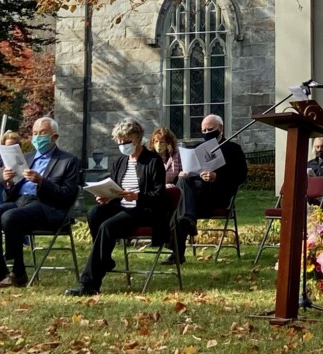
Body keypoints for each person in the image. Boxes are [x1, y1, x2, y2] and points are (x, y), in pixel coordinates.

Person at [66, 118, 166, 296]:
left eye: (125, 141)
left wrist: (138, 196)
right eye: (119, 142)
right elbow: (115, 187)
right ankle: (105, 260)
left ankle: (89, 283)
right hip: (122, 206)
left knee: (107, 227)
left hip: (144, 210)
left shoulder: (153, 161)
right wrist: (107, 197)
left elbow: (159, 196)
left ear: (136, 138)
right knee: (94, 213)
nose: (122, 145)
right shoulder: (120, 162)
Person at [0, 116, 80, 288]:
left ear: (54, 136)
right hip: (21, 201)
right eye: (35, 133)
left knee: (10, 217)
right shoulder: (26, 157)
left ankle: (19, 272)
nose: (37, 137)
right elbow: (11, 193)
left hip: (47, 205)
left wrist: (42, 181)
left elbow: (67, 195)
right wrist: (9, 182)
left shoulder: (68, 161)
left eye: (42, 133)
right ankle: (0, 269)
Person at [169, 113, 248, 264]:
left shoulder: (233, 149)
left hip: (216, 196)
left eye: (210, 129)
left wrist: (216, 177)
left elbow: (241, 177)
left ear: (221, 128)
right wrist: (182, 174)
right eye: (203, 131)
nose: (206, 133)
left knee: (179, 206)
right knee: (182, 182)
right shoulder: (197, 149)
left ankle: (176, 253)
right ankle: (188, 220)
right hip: (194, 197)